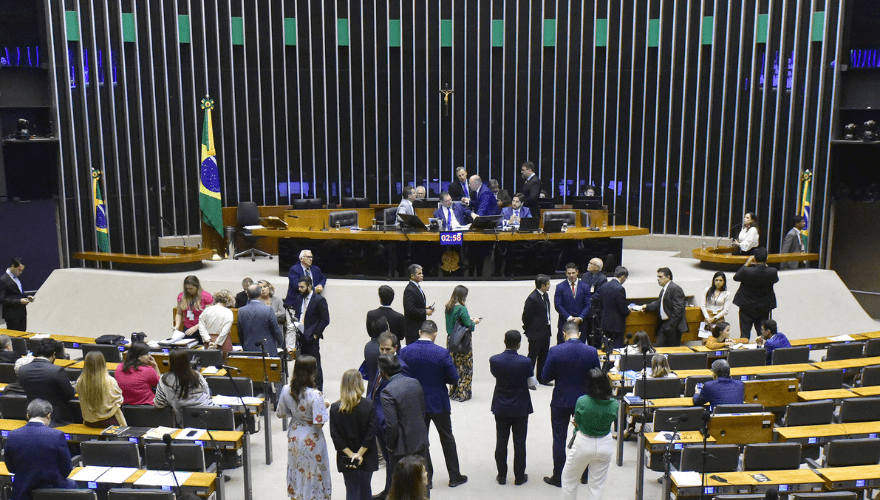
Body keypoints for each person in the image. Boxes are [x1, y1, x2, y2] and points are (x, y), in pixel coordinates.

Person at [399, 320, 467, 488]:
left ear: (420, 331)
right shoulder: (442, 353)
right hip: (438, 401)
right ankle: (454, 476)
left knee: (421, 441)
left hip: (416, 402)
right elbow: (453, 378)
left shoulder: (405, 351)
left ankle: (426, 478)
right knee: (447, 438)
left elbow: (401, 375)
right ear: (435, 334)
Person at [541, 321, 600, 488]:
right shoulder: (591, 351)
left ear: (563, 334)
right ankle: (584, 475)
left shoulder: (555, 351)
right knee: (586, 436)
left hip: (561, 399)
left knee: (559, 438)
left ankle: (558, 476)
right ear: (579, 334)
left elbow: (544, 377)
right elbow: (597, 375)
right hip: (584, 400)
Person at [277, 355, 331, 500]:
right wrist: (324, 407)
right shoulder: (316, 395)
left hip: (295, 434)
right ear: (312, 372)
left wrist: (296, 413)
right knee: (313, 471)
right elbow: (318, 423)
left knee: (297, 468)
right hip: (312, 437)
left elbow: (281, 413)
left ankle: (297, 495)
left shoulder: (286, 389)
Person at [560, 368, 618, 500]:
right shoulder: (614, 404)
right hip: (605, 444)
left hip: (584, 442)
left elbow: (578, 422)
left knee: (569, 478)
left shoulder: (583, 401)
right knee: (597, 485)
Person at [4, 399, 77, 500]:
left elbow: (11, 468)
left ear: (28, 415)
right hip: (51, 491)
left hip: (22, 491)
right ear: (48, 415)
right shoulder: (56, 435)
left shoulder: (12, 435)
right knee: (73, 485)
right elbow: (67, 469)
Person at [379, 354, 430, 498]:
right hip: (420, 440)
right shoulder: (415, 382)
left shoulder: (387, 392)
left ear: (382, 371)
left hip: (401, 447)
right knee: (422, 480)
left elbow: (391, 425)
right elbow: (422, 411)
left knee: (401, 487)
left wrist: (389, 445)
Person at [489, 330, 534, 486]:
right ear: (519, 344)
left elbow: (496, 375)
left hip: (501, 405)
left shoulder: (495, 360)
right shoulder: (525, 362)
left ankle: (502, 475)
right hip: (520, 406)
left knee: (501, 440)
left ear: (504, 341)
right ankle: (519, 476)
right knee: (520, 442)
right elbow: (532, 383)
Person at [330, 369, 378, 500]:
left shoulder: (335, 408)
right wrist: (359, 454)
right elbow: (371, 433)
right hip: (367, 454)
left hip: (346, 456)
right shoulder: (369, 405)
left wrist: (351, 455)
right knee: (366, 488)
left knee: (351, 489)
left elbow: (335, 436)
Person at [17, 339, 76, 426]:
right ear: (53, 354)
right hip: (55, 418)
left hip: (31, 415)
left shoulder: (22, 370)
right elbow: (70, 394)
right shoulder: (57, 371)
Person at [289, 276, 331, 391]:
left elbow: (325, 319)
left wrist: (316, 334)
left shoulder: (319, 300)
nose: (300, 289)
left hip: (312, 337)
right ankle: (302, 388)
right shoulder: (298, 298)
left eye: (302, 287)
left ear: (309, 287)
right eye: (299, 287)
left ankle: (317, 390)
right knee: (301, 363)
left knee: (315, 364)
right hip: (300, 336)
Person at [154, 349, 215, 425]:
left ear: (171, 363)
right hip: (209, 415)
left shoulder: (164, 380)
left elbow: (159, 403)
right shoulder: (196, 374)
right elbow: (207, 393)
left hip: (184, 422)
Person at [444, 285, 481, 402]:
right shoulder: (462, 309)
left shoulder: (448, 307)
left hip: (450, 340)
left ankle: (453, 391)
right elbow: (469, 326)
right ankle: (462, 393)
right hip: (462, 341)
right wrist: (474, 321)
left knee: (453, 366)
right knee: (465, 367)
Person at [733, 247, 779, 340]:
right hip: (763, 307)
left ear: (754, 258)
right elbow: (775, 280)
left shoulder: (747, 271)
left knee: (744, 335)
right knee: (763, 335)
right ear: (766, 258)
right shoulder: (772, 271)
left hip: (746, 306)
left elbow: (736, 277)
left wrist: (747, 263)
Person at [637, 267, 688, 347]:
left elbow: (679, 309)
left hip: (672, 326)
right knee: (658, 348)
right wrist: (647, 306)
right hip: (664, 325)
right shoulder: (665, 289)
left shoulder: (675, 289)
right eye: (657, 277)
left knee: (672, 352)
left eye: (660, 277)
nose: (658, 279)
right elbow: (661, 303)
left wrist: (671, 326)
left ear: (668, 277)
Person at [76, 351, 126, 427]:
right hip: (108, 422)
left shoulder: (80, 381)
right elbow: (119, 401)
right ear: (103, 363)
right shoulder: (110, 381)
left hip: (89, 422)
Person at [522, 275, 553, 385]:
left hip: (545, 331)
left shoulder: (545, 295)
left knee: (544, 355)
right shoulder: (532, 298)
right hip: (535, 333)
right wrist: (529, 330)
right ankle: (528, 379)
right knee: (532, 356)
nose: (550, 286)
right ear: (543, 286)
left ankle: (541, 377)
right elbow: (526, 317)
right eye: (548, 284)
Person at [238, 284, 284, 354]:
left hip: (248, 349)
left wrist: (244, 345)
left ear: (248, 295)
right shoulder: (268, 310)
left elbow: (240, 332)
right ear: (260, 294)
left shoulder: (241, 311)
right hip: (268, 349)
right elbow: (276, 330)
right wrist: (281, 343)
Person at [594, 266, 632, 348]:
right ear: (623, 276)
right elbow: (623, 310)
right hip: (617, 326)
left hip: (605, 324)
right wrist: (628, 310)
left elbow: (600, 306)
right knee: (616, 350)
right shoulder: (620, 289)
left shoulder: (604, 286)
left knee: (607, 348)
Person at [554, 263, 592, 344]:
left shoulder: (585, 286)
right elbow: (558, 305)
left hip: (580, 324)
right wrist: (569, 318)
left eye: (573, 273)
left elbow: (588, 305)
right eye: (569, 273)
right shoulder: (560, 287)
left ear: (577, 272)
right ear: (566, 273)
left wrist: (580, 318)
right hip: (565, 323)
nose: (571, 275)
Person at [115, 341, 160, 406]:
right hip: (147, 408)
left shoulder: (119, 367)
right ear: (139, 356)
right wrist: (155, 366)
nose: (149, 357)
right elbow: (159, 384)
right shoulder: (148, 370)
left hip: (125, 409)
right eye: (147, 354)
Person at [173, 275, 214, 344]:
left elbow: (208, 316)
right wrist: (177, 326)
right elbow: (179, 313)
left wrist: (196, 326)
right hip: (188, 329)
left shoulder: (206, 296)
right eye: (187, 289)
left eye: (191, 288)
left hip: (202, 329)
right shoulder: (182, 296)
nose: (189, 291)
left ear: (197, 286)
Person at [402, 264, 434, 345]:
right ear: (412, 276)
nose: (422, 275)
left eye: (422, 273)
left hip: (418, 326)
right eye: (419, 274)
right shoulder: (410, 289)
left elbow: (415, 305)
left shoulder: (416, 287)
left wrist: (425, 308)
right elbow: (410, 309)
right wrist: (425, 312)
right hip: (413, 329)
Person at [198, 288, 235, 355]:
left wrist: (208, 341)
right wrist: (217, 343)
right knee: (225, 363)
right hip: (223, 341)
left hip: (208, 340)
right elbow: (225, 331)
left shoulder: (206, 310)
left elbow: (201, 328)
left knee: (209, 362)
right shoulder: (228, 312)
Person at [0, 257, 33, 331]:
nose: (20, 272)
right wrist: (19, 301)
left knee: (23, 336)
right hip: (12, 315)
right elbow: (2, 299)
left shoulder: (18, 278)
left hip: (22, 313)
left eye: (22, 270)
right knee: (15, 338)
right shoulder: (3, 279)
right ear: (13, 266)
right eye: (19, 270)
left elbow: (18, 293)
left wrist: (27, 297)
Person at [582, 258, 608, 346]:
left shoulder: (602, 279)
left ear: (597, 267)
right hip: (584, 309)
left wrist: (586, 299)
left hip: (594, 311)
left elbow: (598, 295)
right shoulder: (585, 276)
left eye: (591, 263)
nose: (588, 264)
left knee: (594, 336)